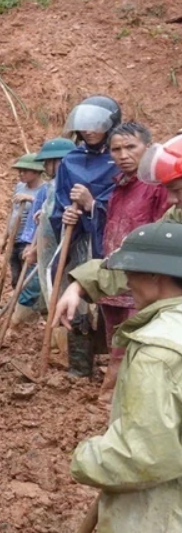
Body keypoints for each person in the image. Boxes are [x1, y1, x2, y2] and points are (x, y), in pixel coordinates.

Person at [59, 222, 182, 533]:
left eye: (132, 271)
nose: (126, 281)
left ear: (156, 275)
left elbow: (144, 454)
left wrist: (85, 460)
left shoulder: (158, 349)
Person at [95, 122, 171, 394]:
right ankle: (113, 397)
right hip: (115, 278)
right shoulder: (119, 187)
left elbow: (164, 234)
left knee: (132, 347)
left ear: (148, 148)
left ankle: (114, 398)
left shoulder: (158, 187)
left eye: (130, 147)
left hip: (143, 282)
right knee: (114, 341)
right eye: (116, 149)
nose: (122, 154)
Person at [51, 96, 122, 377]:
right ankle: (80, 367)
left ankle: (116, 366)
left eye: (97, 125)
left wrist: (94, 205)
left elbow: (123, 202)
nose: (90, 131)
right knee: (77, 301)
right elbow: (59, 203)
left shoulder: (119, 159)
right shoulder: (70, 161)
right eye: (85, 126)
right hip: (79, 241)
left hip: (111, 240)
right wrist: (65, 215)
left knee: (115, 298)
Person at [12, 138, 76, 326]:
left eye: (49, 162)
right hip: (50, 250)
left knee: (59, 292)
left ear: (60, 162)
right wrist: (34, 246)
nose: (46, 167)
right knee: (49, 289)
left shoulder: (68, 186)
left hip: (66, 252)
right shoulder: (51, 188)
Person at [6, 153, 46, 287]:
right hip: (14, 239)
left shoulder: (45, 190)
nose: (21, 174)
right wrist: (4, 236)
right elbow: (13, 211)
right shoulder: (19, 187)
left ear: (36, 172)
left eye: (25, 171)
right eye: (19, 171)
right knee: (16, 279)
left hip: (29, 242)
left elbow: (47, 209)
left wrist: (30, 198)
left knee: (27, 280)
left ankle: (25, 307)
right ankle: (15, 305)